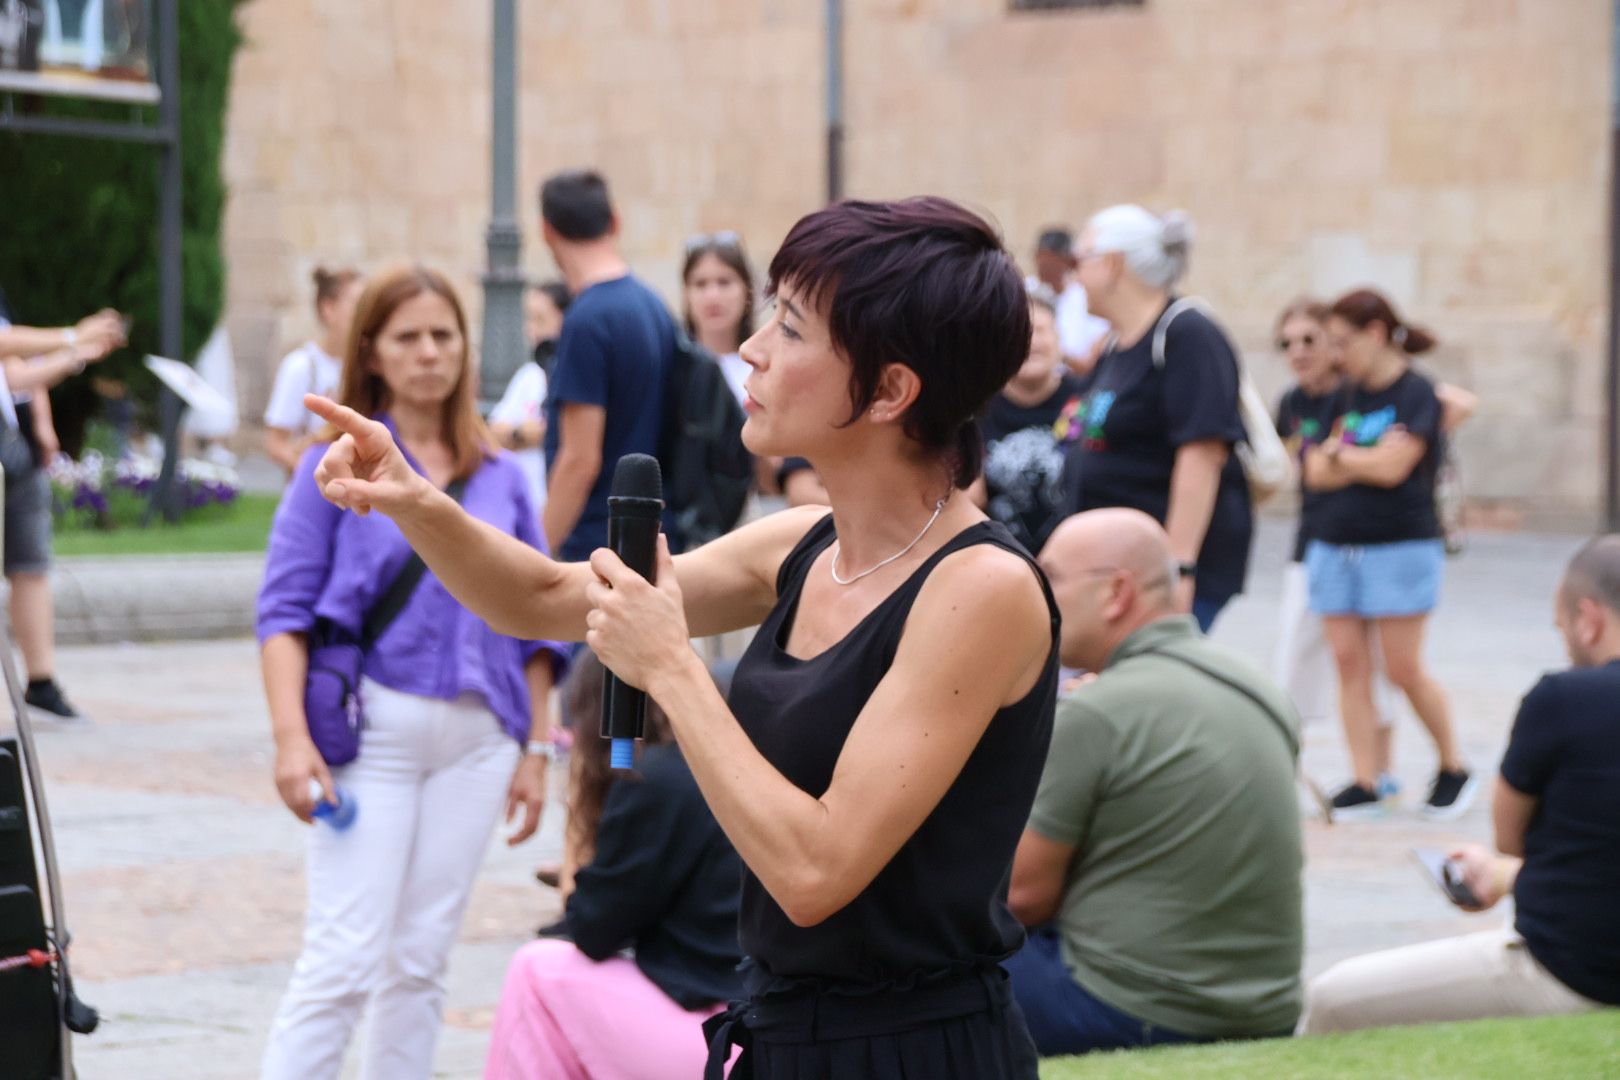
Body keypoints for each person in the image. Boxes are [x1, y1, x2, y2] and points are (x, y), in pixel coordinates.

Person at [308, 196, 1060, 1079]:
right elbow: (549, 597)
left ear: (892, 391)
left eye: (792, 327)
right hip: (786, 1033)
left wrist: (669, 664)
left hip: (911, 1052)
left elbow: (815, 872)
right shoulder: (806, 543)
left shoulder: (981, 588)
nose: (752, 347)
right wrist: (416, 500)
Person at [255, 265, 568, 1080]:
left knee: (422, 961)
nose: (430, 353)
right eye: (408, 337)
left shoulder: (500, 475)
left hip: (478, 742)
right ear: (373, 353)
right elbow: (283, 612)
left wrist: (537, 747)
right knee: (343, 958)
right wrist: (292, 741)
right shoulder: (331, 466)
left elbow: (538, 615)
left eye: (443, 335)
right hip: (369, 735)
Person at [1005, 508, 1303, 1053]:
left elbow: (1023, 899)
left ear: (1116, 593)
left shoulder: (1098, 710)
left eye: (1050, 578)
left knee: (914, 944)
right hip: (1269, 1008)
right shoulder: (1255, 683)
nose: (1036, 596)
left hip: (1132, 1010)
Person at [1301, 535, 1620, 1032]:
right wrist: (1502, 876)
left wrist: (1504, 869)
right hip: (1582, 941)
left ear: (1589, 618)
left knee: (1331, 1001)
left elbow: (1511, 841)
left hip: (1574, 973)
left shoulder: (1564, 700)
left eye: (1561, 627)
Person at [485, 652, 743, 1079]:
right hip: (762, 1020)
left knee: (535, 972)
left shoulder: (653, 780)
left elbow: (590, 930)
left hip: (718, 1036)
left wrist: (579, 819)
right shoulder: (726, 760)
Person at [1273, 298, 1479, 808]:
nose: (1336, 354)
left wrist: (1345, 455)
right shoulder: (1339, 393)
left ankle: (1454, 766)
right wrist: (1363, 456)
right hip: (1335, 545)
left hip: (1401, 544)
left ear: (1376, 332)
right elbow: (1315, 471)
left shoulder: (1417, 392)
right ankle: (1366, 781)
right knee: (1350, 665)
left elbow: (1396, 469)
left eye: (1343, 342)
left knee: (1403, 667)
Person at [1059, 206, 1252, 632]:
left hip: (1158, 576)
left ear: (1112, 264)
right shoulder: (1115, 345)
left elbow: (1203, 453)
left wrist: (1177, 571)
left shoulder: (1186, 334)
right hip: (1118, 570)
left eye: (1080, 261)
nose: (1073, 278)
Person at [537, 170, 674, 561]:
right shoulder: (652, 305)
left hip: (596, 546)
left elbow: (579, 460)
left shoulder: (587, 318)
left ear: (547, 231)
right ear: (615, 221)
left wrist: (538, 549)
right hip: (650, 534)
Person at [0, 298, 125, 720]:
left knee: (31, 563)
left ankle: (40, 680)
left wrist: (41, 423)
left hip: (12, 444)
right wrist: (74, 338)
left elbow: (14, 370)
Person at [971, 285, 1088, 554]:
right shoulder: (973, 409)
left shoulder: (1085, 400)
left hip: (1078, 563)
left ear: (1059, 339)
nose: (1031, 342)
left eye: (1041, 331)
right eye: (1019, 332)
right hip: (998, 564)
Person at [264, 266, 364, 475]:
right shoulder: (301, 366)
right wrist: (313, 476)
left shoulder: (370, 366)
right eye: (357, 305)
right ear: (328, 308)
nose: (364, 315)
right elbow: (275, 443)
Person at [490, 279, 572, 516]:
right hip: (526, 507)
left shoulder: (576, 374)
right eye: (529, 319)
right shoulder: (528, 376)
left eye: (540, 319)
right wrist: (523, 434)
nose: (531, 329)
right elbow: (494, 433)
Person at [1024, 227, 1110, 376]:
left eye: (1055, 263)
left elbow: (1091, 363)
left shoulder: (1087, 299)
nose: (1049, 270)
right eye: (1044, 263)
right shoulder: (1020, 292)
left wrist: (1053, 351)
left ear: (1069, 262)